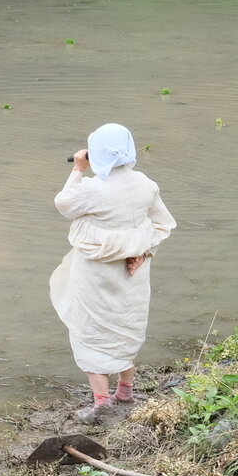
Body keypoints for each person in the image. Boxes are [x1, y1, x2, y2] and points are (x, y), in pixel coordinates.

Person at [50, 123, 176, 424]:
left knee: (90, 328)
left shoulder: (93, 188)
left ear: (97, 153)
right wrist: (144, 252)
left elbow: (64, 204)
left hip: (96, 272)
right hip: (134, 269)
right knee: (126, 323)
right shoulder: (146, 183)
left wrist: (78, 169)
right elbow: (162, 224)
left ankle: (102, 403)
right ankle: (125, 391)